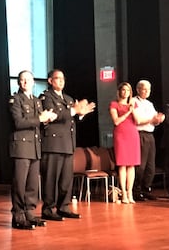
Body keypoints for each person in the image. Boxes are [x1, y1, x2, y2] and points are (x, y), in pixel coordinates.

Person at [39, 69, 96, 221]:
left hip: (67, 143)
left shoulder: (68, 98)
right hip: (53, 144)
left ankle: (63, 206)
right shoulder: (45, 97)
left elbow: (71, 118)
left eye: (63, 79)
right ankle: (48, 209)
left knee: (66, 179)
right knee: (51, 178)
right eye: (58, 79)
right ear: (50, 81)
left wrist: (81, 113)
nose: (61, 81)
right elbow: (55, 115)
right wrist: (73, 110)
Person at [8, 71, 56, 229]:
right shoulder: (15, 100)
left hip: (35, 146)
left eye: (27, 80)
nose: (25, 83)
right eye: (21, 80)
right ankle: (18, 215)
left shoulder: (36, 101)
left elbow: (39, 124)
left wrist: (47, 119)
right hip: (21, 147)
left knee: (33, 184)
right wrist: (40, 119)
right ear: (18, 83)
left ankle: (30, 213)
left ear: (33, 82)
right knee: (19, 184)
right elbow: (19, 122)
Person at [132, 79, 165, 201]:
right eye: (144, 89)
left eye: (149, 89)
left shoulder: (150, 104)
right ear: (138, 89)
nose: (147, 91)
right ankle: (136, 190)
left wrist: (159, 119)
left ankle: (146, 188)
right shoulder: (134, 101)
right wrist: (151, 120)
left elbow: (154, 118)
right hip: (140, 134)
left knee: (151, 165)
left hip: (150, 134)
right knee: (141, 165)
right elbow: (138, 119)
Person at [109, 82, 141, 204]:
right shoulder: (114, 104)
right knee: (122, 164)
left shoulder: (133, 105)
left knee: (132, 165)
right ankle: (123, 193)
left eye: (127, 90)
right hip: (121, 134)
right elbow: (116, 121)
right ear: (119, 92)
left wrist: (132, 110)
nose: (125, 92)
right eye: (123, 90)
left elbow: (137, 121)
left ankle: (130, 192)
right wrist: (128, 112)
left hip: (132, 134)